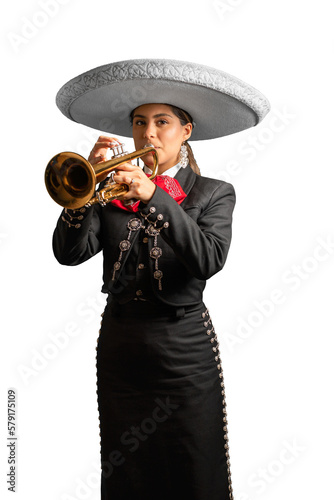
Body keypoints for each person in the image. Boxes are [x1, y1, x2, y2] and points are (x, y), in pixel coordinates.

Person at [51, 59, 270, 500]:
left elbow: (208, 259)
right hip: (121, 350)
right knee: (126, 468)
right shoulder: (111, 190)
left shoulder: (213, 192)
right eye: (139, 123)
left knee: (192, 462)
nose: (147, 134)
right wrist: (84, 195)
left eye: (162, 122)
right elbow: (68, 254)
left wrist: (153, 196)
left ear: (185, 131)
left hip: (183, 351)